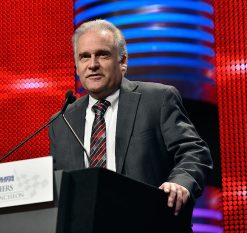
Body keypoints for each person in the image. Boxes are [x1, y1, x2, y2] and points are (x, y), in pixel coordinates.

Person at [48, 19, 212, 221]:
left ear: (123, 61)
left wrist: (180, 182)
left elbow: (194, 151)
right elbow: (57, 184)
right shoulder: (62, 121)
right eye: (84, 57)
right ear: (77, 66)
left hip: (150, 223)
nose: (93, 65)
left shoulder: (158, 99)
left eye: (103, 54)